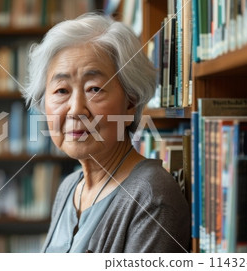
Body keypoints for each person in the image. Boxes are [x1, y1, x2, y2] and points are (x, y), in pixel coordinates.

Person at [21, 14, 190, 253]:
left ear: (130, 102)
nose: (76, 109)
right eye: (61, 90)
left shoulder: (151, 197)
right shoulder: (70, 187)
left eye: (94, 89)